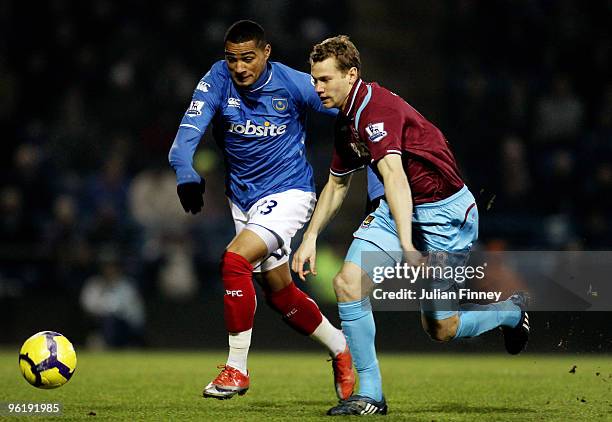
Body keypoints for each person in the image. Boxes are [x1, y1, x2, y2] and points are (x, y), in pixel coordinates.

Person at [292, 35, 530, 416]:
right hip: (395, 209)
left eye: (324, 79)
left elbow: (395, 177)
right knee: (347, 282)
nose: (316, 87)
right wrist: (310, 236)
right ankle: (370, 393)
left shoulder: (376, 111)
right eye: (314, 79)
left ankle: (510, 313)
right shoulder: (346, 121)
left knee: (441, 328)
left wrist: (407, 245)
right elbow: (338, 184)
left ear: (351, 74)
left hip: (444, 215)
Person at [168, 21, 354, 400]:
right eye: (232, 59)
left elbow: (350, 106)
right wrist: (186, 171)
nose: (239, 68)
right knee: (280, 295)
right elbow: (186, 134)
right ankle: (342, 349)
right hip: (244, 200)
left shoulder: (293, 83)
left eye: (248, 58)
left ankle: (236, 369)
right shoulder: (217, 80)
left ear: (266, 53)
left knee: (234, 262)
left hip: (290, 193)